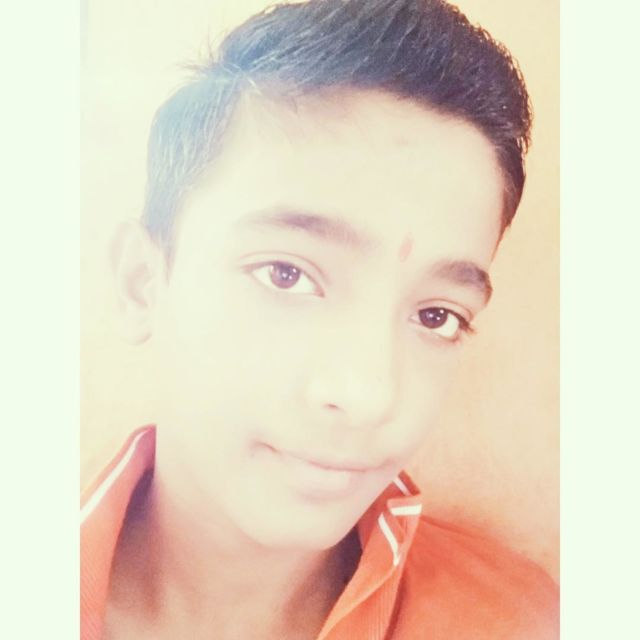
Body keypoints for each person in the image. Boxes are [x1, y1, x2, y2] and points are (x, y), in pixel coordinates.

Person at [80, 0, 559, 638]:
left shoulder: (521, 621)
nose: (368, 394)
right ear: (143, 284)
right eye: (287, 274)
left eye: (437, 315)